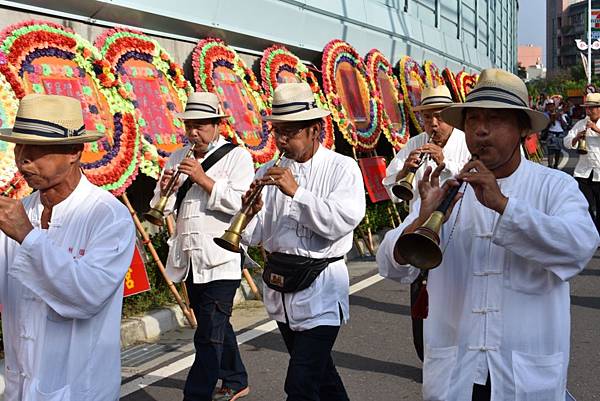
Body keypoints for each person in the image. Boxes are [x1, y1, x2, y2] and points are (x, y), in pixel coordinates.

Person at [377, 69, 599, 401]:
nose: (480, 130)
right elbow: (391, 265)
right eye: (473, 120)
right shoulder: (446, 186)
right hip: (457, 373)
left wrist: (504, 206)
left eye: (495, 120)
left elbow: (580, 246)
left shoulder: (555, 185)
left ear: (523, 128)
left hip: (524, 375)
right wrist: (421, 219)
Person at [0, 94, 136, 401]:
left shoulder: (107, 215)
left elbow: (87, 295)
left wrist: (27, 235)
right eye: (19, 147)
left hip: (80, 389)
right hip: (20, 387)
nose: (23, 159)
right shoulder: (19, 212)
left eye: (37, 151)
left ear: (74, 151)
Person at [240, 83, 365, 401]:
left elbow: (341, 222)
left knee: (299, 385)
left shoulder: (342, 168)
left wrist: (297, 193)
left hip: (321, 290)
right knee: (322, 378)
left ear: (315, 130)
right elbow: (257, 236)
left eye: (290, 132)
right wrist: (249, 214)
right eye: (278, 132)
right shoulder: (268, 169)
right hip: (282, 289)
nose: (282, 140)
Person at [149, 92, 254, 401]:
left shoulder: (238, 156)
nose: (194, 132)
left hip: (221, 257)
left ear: (217, 125)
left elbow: (241, 204)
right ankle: (235, 379)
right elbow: (161, 206)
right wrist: (165, 188)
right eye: (190, 126)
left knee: (208, 334)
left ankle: (195, 394)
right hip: (189, 258)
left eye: (201, 125)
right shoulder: (176, 156)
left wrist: (203, 179)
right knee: (214, 324)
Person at [382, 85, 470, 212]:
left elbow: (473, 184)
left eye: (439, 117)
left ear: (451, 116)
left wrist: (444, 162)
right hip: (419, 221)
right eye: (427, 117)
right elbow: (394, 195)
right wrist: (404, 172)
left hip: (457, 223)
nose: (433, 123)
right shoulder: (414, 143)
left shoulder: (467, 142)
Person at [563, 92, 600, 234]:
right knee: (585, 205)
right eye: (587, 108)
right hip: (584, 172)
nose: (589, 111)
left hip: (599, 172)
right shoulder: (581, 123)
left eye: (592, 108)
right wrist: (577, 137)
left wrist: (596, 130)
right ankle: (592, 232)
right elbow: (566, 142)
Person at [544, 99, 568, 169]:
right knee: (551, 151)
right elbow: (545, 126)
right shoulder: (545, 114)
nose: (551, 107)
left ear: (554, 106)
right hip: (551, 133)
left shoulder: (559, 113)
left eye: (552, 105)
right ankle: (550, 166)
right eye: (549, 106)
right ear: (547, 107)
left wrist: (559, 118)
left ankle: (556, 165)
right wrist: (552, 119)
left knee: (558, 151)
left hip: (560, 134)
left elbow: (565, 125)